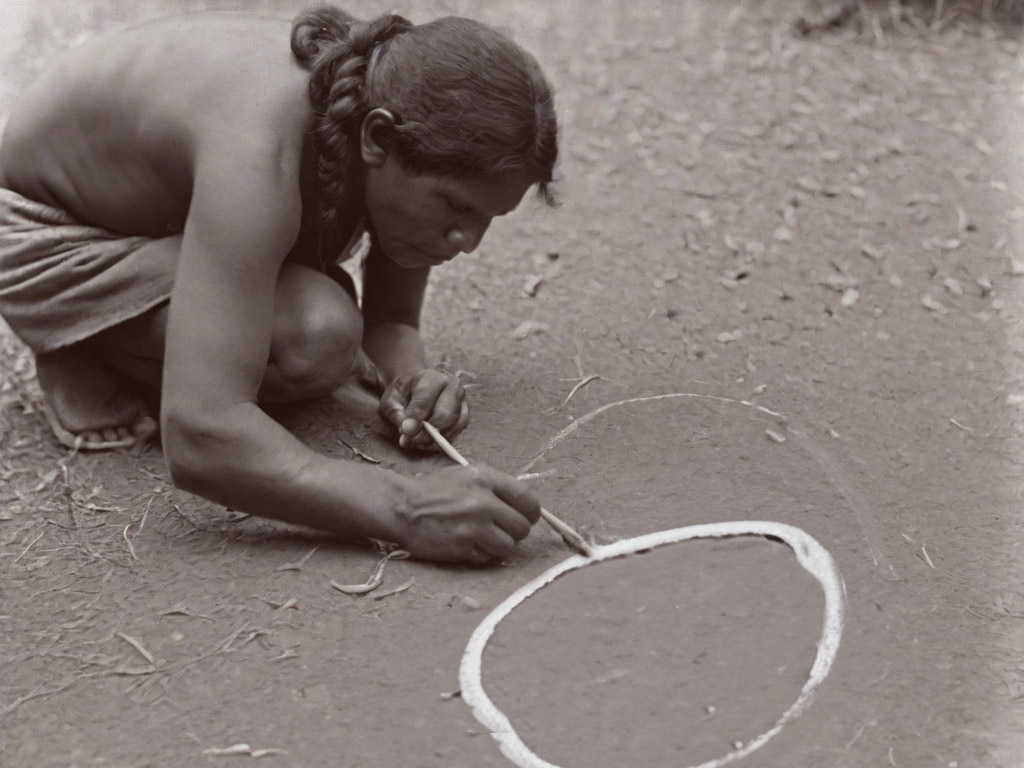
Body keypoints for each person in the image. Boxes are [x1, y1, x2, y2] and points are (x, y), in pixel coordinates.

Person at [0, 6, 559, 564]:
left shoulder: (392, 105)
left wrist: (411, 374)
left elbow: (391, 322)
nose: (468, 241)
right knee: (316, 335)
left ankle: (176, 328)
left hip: (151, 215)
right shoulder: (259, 151)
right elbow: (200, 435)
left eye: (489, 217)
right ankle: (82, 344)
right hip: (44, 229)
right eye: (457, 207)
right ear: (379, 139)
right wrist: (406, 507)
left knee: (324, 323)